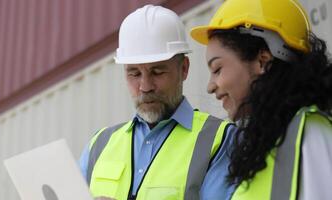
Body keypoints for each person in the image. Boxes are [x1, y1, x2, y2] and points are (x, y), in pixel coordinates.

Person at [79, 4, 237, 200]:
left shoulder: (220, 141)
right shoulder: (99, 145)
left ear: (184, 68)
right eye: (134, 73)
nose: (145, 86)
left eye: (158, 71)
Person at [190, 0, 332, 199]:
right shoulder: (264, 144)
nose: (210, 86)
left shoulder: (311, 132)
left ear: (262, 61)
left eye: (217, 69)